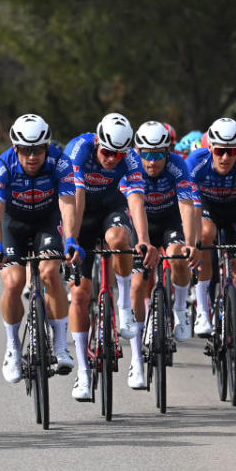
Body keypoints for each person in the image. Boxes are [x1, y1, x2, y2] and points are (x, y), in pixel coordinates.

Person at [64, 113, 158, 396]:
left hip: (110, 212)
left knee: (120, 238)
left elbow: (136, 201)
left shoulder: (130, 160)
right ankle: (82, 372)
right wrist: (72, 240)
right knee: (80, 295)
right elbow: (76, 198)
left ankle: (124, 307)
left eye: (118, 154)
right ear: (97, 142)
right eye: (106, 152)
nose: (111, 159)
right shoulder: (80, 149)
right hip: (80, 214)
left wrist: (144, 240)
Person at [0, 115, 80, 388]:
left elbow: (68, 204)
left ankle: (61, 345)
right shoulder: (3, 166)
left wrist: (71, 238)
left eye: (38, 149)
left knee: (50, 271)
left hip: (47, 222)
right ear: (16, 148)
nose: (32, 156)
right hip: (12, 225)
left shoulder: (60, 162)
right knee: (14, 282)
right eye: (25, 150)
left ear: (47, 147)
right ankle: (13, 349)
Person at [186, 118, 236, 378]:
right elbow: (194, 210)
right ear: (211, 149)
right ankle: (202, 312)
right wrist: (195, 244)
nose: (225, 157)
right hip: (207, 209)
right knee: (205, 235)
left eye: (231, 151)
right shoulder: (195, 163)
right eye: (220, 150)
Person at [132, 121, 200, 342]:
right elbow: (136, 204)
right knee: (137, 283)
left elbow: (187, 205)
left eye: (159, 154)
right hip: (142, 221)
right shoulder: (132, 165)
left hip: (170, 220)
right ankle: (140, 331)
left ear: (168, 152)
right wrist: (143, 240)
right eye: (147, 155)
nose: (152, 162)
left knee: (180, 256)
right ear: (138, 151)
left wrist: (190, 243)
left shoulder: (178, 164)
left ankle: (180, 309)